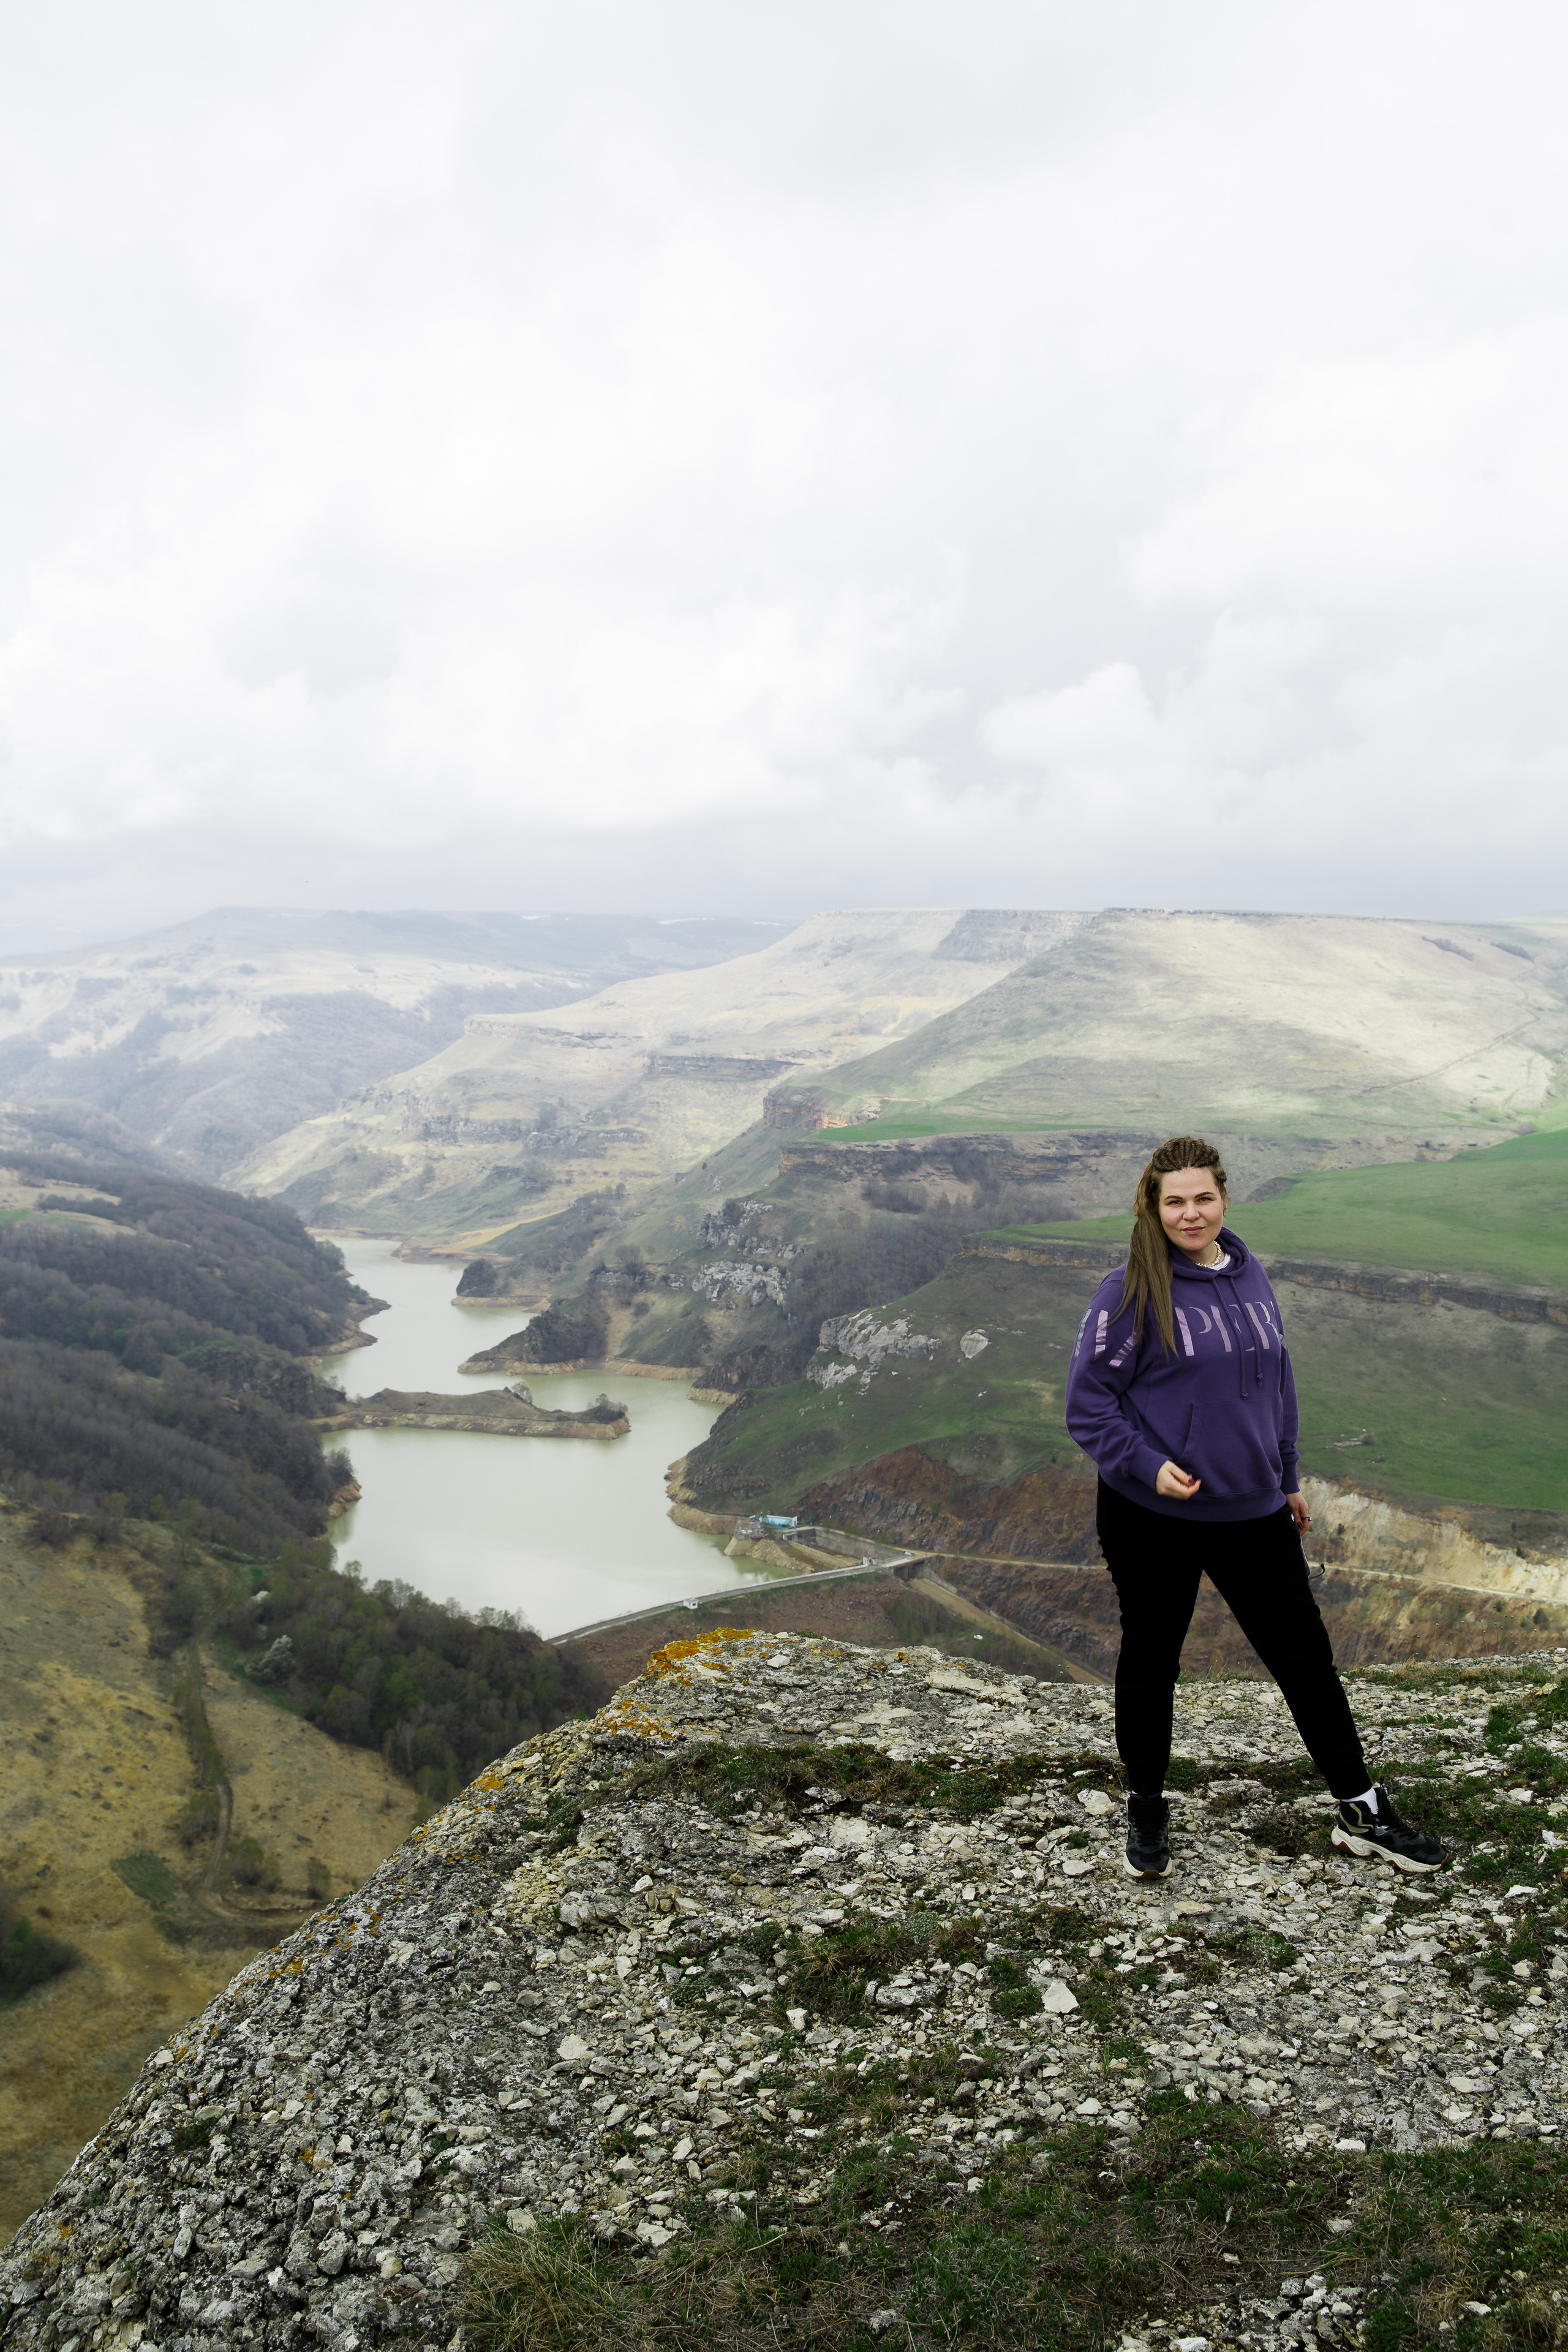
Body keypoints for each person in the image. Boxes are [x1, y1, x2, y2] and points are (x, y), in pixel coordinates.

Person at [1064, 1134, 1445, 1882]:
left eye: (1203, 1197)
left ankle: (1362, 1810)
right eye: (1174, 1201)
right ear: (1154, 1206)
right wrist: (1147, 1465)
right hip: (1151, 1514)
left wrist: (1288, 1473)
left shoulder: (1248, 1274)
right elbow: (1088, 1405)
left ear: (1224, 1199)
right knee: (1151, 1661)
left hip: (1251, 1508)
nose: (1190, 1213)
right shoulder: (1129, 1289)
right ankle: (1146, 1807)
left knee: (1304, 1658)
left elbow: (1277, 1385)